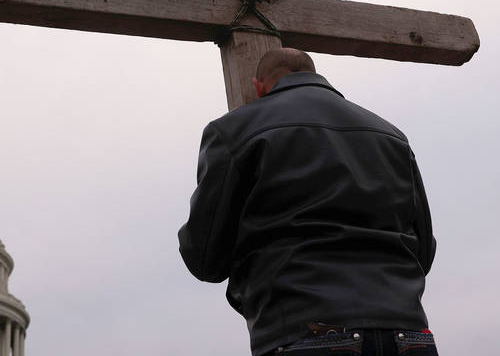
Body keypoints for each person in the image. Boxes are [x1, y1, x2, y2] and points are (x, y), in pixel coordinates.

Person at [178, 48, 438, 356]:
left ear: (258, 87)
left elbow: (205, 259)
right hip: (408, 332)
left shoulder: (233, 131)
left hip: (305, 327)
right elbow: (423, 251)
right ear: (316, 75)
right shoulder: (392, 135)